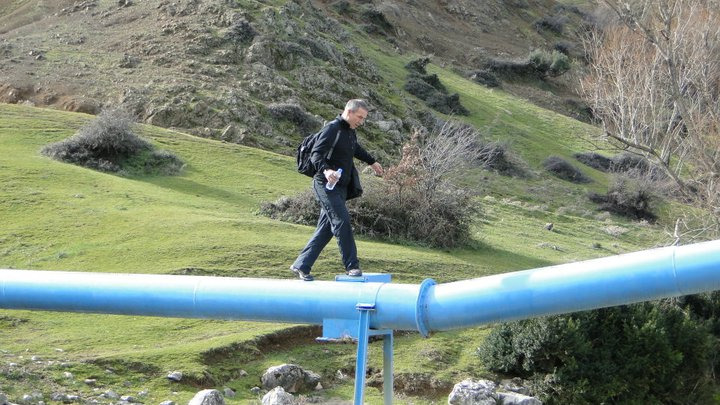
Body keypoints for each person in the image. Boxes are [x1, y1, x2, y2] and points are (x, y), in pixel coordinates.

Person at [290, 99, 383, 281]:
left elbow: (355, 149)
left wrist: (372, 161)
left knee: (326, 229)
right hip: (325, 184)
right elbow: (316, 154)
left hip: (340, 188)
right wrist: (327, 170)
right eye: (360, 117)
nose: (361, 122)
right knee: (341, 221)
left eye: (364, 118)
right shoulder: (332, 129)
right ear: (349, 111)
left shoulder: (350, 132)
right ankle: (352, 266)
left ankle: (301, 265)